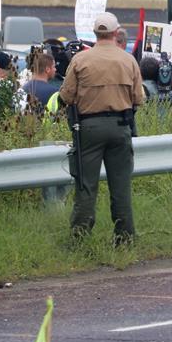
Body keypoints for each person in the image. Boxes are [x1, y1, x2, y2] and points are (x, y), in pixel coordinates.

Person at [59, 12, 145, 243]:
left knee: (86, 185)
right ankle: (125, 237)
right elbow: (139, 98)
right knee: (121, 187)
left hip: (88, 127)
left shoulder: (80, 60)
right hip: (120, 126)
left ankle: (80, 237)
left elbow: (66, 96)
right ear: (116, 33)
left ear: (95, 34)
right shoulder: (128, 60)